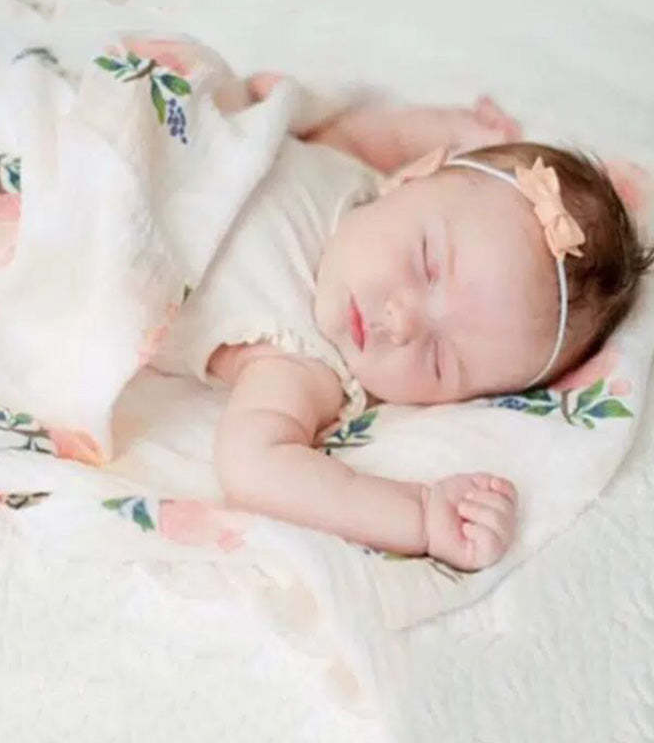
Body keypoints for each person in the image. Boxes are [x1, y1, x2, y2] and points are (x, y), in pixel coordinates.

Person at [150, 73, 654, 571]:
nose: (402, 321)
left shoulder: (301, 364)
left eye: (439, 359)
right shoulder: (350, 173)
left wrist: (419, 515)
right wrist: (457, 129)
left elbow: (256, 466)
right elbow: (371, 135)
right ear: (410, 179)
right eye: (427, 265)